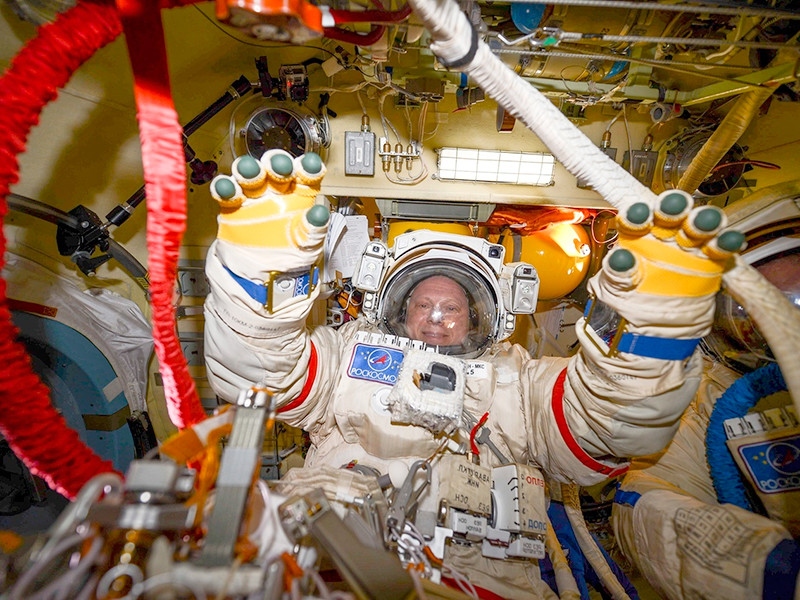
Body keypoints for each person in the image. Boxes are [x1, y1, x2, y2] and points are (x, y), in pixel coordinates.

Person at [203, 149, 745, 599]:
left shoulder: (520, 382)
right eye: (422, 305)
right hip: (327, 562)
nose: (436, 319)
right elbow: (262, 375)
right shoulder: (350, 355)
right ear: (400, 309)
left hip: (487, 580)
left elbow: (606, 421)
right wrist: (258, 283)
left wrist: (646, 343)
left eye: (453, 308)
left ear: (479, 317)